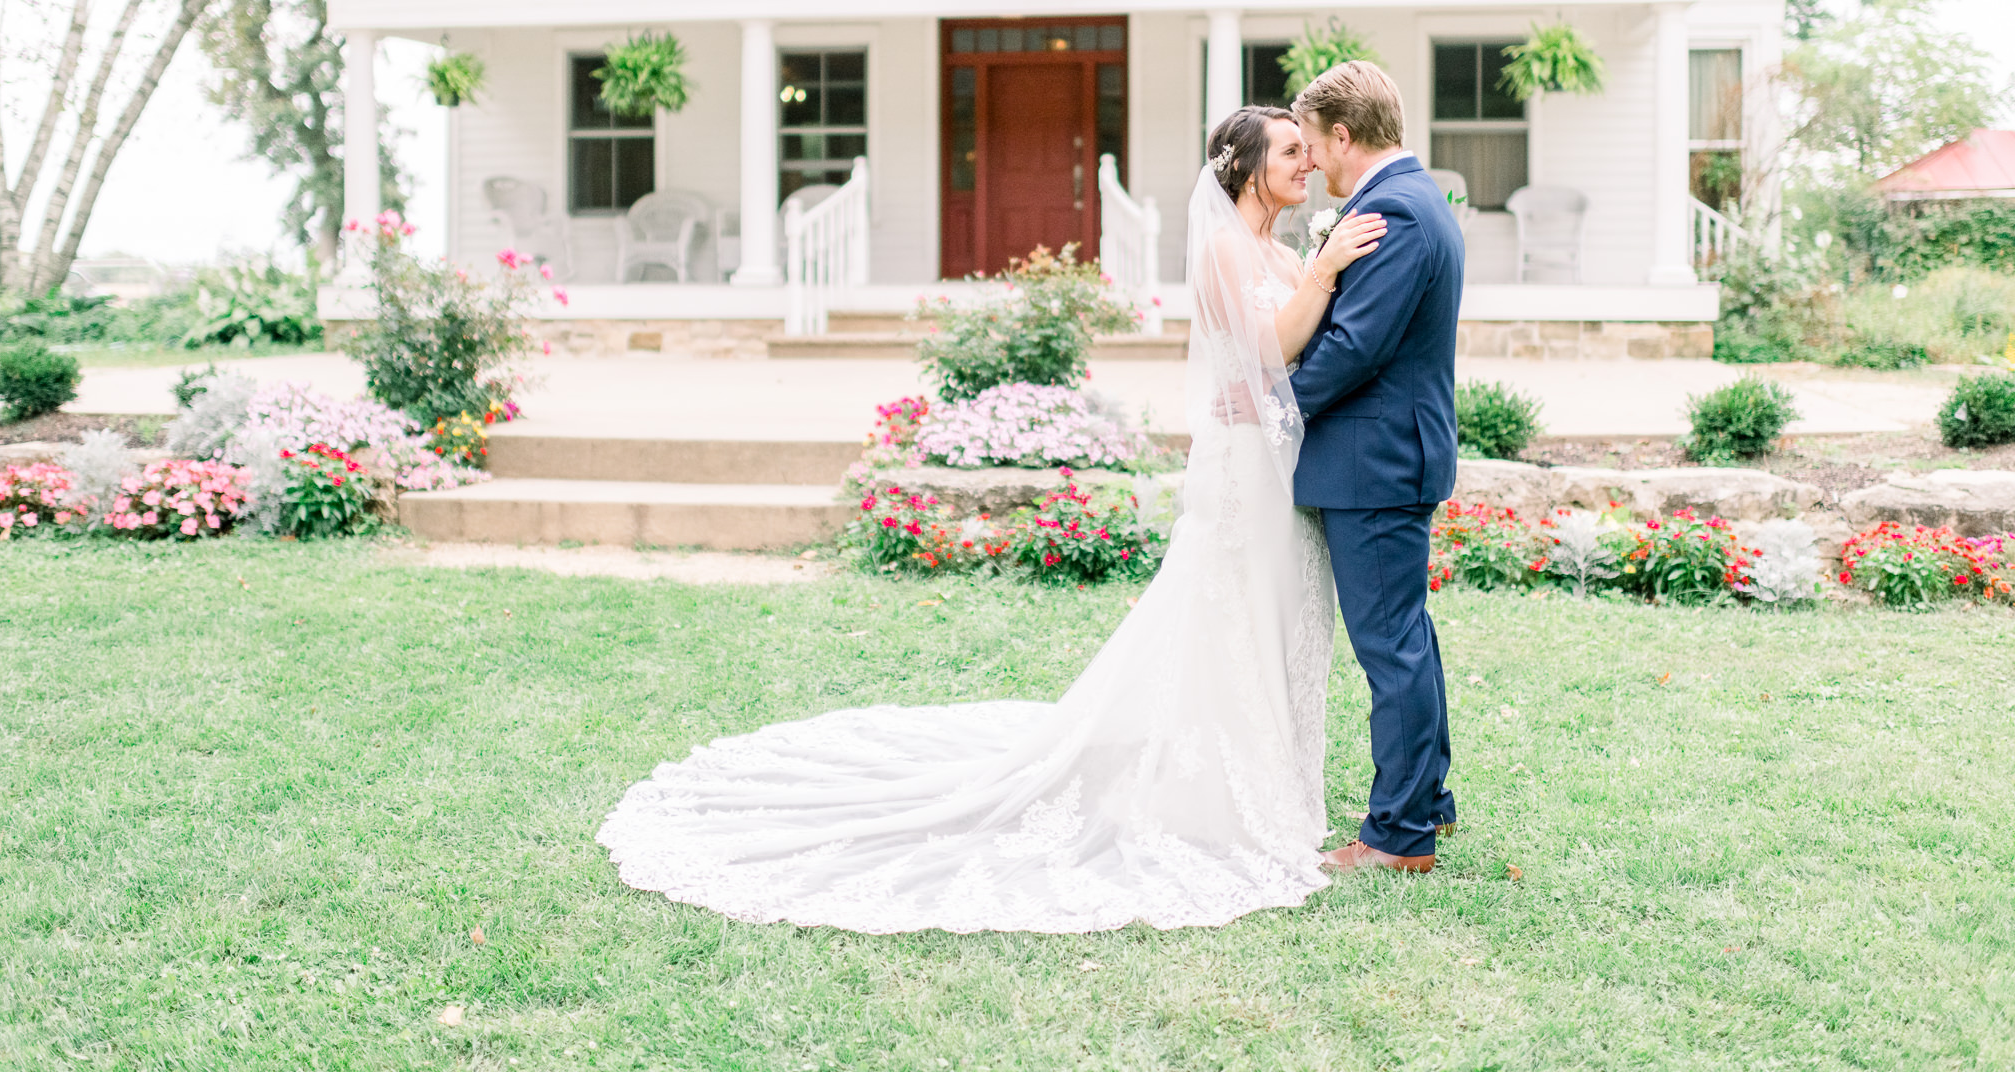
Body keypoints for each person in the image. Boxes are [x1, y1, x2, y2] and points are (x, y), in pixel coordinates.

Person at [594, 106, 1387, 933]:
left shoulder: (1280, 248)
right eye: (1292, 151)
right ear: (1247, 167)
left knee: (1274, 618)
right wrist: (1327, 269)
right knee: (1228, 615)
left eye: (1307, 148)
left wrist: (1315, 271)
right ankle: (1217, 795)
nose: (1308, 162)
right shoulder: (1228, 246)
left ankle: (1265, 785)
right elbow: (1266, 346)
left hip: (1277, 460)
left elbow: (1299, 354)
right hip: (1236, 470)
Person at [1288, 61, 1464, 875]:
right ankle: (1428, 802)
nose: (1311, 161)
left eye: (1315, 144)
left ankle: (1397, 836)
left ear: (1345, 135)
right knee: (1405, 640)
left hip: (1376, 460)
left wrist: (1274, 405)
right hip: (1389, 455)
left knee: (1389, 647)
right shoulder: (1415, 198)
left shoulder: (1394, 208)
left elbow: (1357, 345)